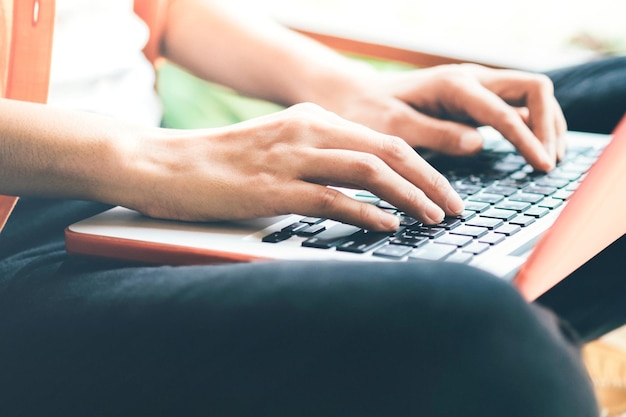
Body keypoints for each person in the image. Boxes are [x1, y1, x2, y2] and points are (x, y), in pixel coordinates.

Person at [1, 0, 623, 415]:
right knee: (491, 338)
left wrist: (345, 85)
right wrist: (151, 161)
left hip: (163, 161)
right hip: (26, 224)